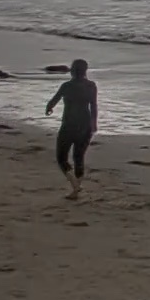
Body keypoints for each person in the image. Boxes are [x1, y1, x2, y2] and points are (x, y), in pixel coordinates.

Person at [46, 58, 99, 200]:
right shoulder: (91, 86)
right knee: (79, 156)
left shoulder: (66, 86)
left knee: (61, 157)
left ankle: (74, 184)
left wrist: (48, 108)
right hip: (85, 124)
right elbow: (94, 106)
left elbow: (54, 100)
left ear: (72, 71)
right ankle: (76, 188)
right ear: (85, 71)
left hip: (69, 124)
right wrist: (94, 124)